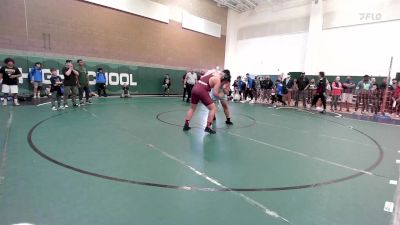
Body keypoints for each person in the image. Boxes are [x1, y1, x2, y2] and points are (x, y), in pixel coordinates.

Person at [183, 69, 230, 134]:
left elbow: (204, 77)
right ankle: (207, 127)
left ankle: (186, 125)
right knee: (213, 108)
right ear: (223, 77)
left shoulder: (212, 73)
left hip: (195, 88)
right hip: (201, 90)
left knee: (192, 108)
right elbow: (215, 93)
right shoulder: (218, 80)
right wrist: (221, 95)